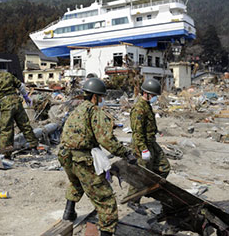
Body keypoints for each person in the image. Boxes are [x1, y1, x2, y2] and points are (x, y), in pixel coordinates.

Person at [58, 78, 137, 236]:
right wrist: (126, 153)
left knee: (76, 182)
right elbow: (105, 139)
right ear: (95, 97)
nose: (101, 101)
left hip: (65, 156)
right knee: (106, 200)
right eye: (100, 97)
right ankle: (106, 233)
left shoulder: (77, 110)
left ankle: (69, 213)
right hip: (81, 159)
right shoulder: (95, 111)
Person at [0, 59, 38, 158]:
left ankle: (6, 154)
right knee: (25, 125)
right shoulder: (8, 75)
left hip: (6, 106)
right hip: (17, 102)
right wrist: (26, 97)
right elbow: (20, 86)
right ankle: (34, 147)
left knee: (6, 130)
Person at [126, 78, 171, 215]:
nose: (155, 98)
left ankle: (149, 188)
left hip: (152, 142)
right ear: (146, 93)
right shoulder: (139, 108)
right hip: (142, 145)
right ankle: (133, 200)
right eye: (154, 95)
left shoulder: (146, 105)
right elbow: (137, 132)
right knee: (141, 175)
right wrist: (143, 149)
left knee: (164, 167)